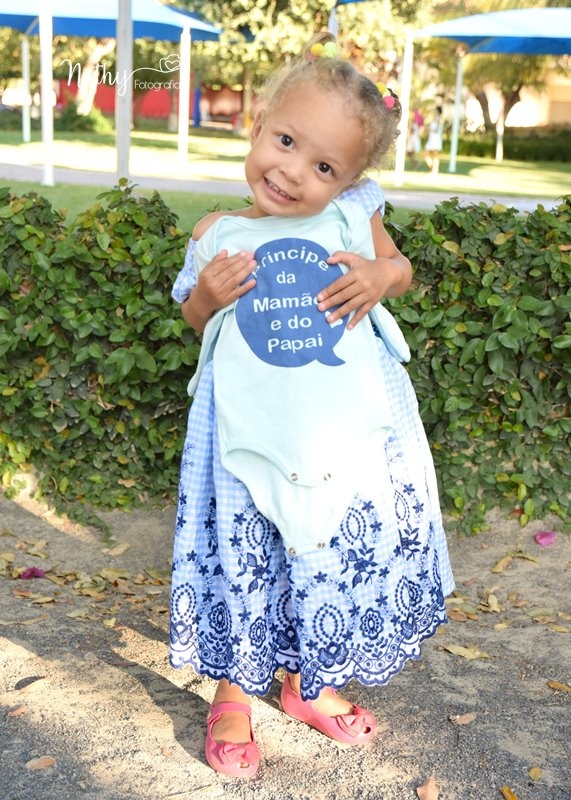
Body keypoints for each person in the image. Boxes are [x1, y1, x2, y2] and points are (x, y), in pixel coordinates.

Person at [169, 40, 454, 779]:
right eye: (286, 141)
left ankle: (307, 681)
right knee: (250, 551)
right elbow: (197, 323)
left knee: (325, 548)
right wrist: (208, 298)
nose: (294, 171)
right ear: (258, 124)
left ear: (351, 181)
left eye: (325, 167)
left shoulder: (355, 216)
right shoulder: (216, 236)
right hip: (246, 430)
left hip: (346, 425)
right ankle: (234, 690)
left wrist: (380, 275)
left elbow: (398, 268)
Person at [424, 105, 444, 174]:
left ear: (438, 111)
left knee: (435, 156)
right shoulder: (434, 118)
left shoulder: (438, 119)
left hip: (436, 139)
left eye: (435, 110)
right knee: (426, 155)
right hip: (431, 139)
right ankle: (433, 168)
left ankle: (435, 171)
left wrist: (428, 128)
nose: (434, 111)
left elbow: (436, 130)